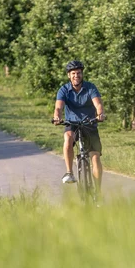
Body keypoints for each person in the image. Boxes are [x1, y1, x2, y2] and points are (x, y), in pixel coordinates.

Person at [52, 60, 106, 191]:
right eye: (73, 73)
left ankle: (98, 191)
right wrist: (57, 117)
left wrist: (100, 114)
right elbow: (58, 107)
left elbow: (98, 104)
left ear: (82, 74)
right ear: (69, 76)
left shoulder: (90, 87)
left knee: (95, 158)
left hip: (90, 124)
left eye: (79, 73)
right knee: (68, 139)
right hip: (72, 124)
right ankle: (69, 172)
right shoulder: (64, 90)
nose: (76, 76)